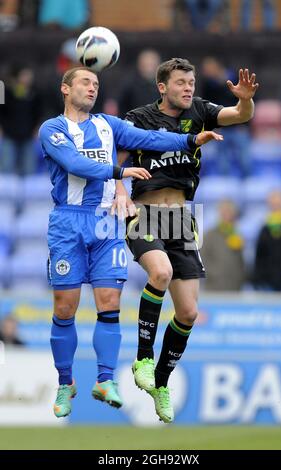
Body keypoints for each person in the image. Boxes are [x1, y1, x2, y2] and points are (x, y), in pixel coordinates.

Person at [38, 66, 217, 418]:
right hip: (68, 221)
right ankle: (65, 382)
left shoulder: (109, 124)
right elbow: (75, 164)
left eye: (96, 84)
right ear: (65, 88)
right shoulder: (53, 129)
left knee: (109, 302)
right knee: (65, 307)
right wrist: (120, 173)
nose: (92, 88)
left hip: (106, 222)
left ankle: (106, 379)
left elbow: (149, 138)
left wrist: (189, 140)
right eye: (85, 82)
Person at [125, 58, 258, 423]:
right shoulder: (138, 118)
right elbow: (113, 158)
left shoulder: (199, 111)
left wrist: (245, 101)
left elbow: (240, 115)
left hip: (181, 219)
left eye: (192, 82)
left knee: (187, 312)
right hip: (144, 214)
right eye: (181, 82)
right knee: (161, 273)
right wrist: (117, 193)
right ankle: (143, 358)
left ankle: (161, 384)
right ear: (162, 87)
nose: (189, 88)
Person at [253, 190, 281, 291]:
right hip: (267, 282)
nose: (276, 205)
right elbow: (259, 256)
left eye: (279, 202)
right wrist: (257, 279)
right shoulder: (264, 228)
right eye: (273, 203)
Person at [200, 200, 246, 291]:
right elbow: (202, 259)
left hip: (234, 287)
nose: (227, 215)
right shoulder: (210, 235)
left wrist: (239, 277)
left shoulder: (237, 234)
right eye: (224, 212)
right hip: (214, 287)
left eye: (229, 212)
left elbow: (241, 261)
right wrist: (215, 273)